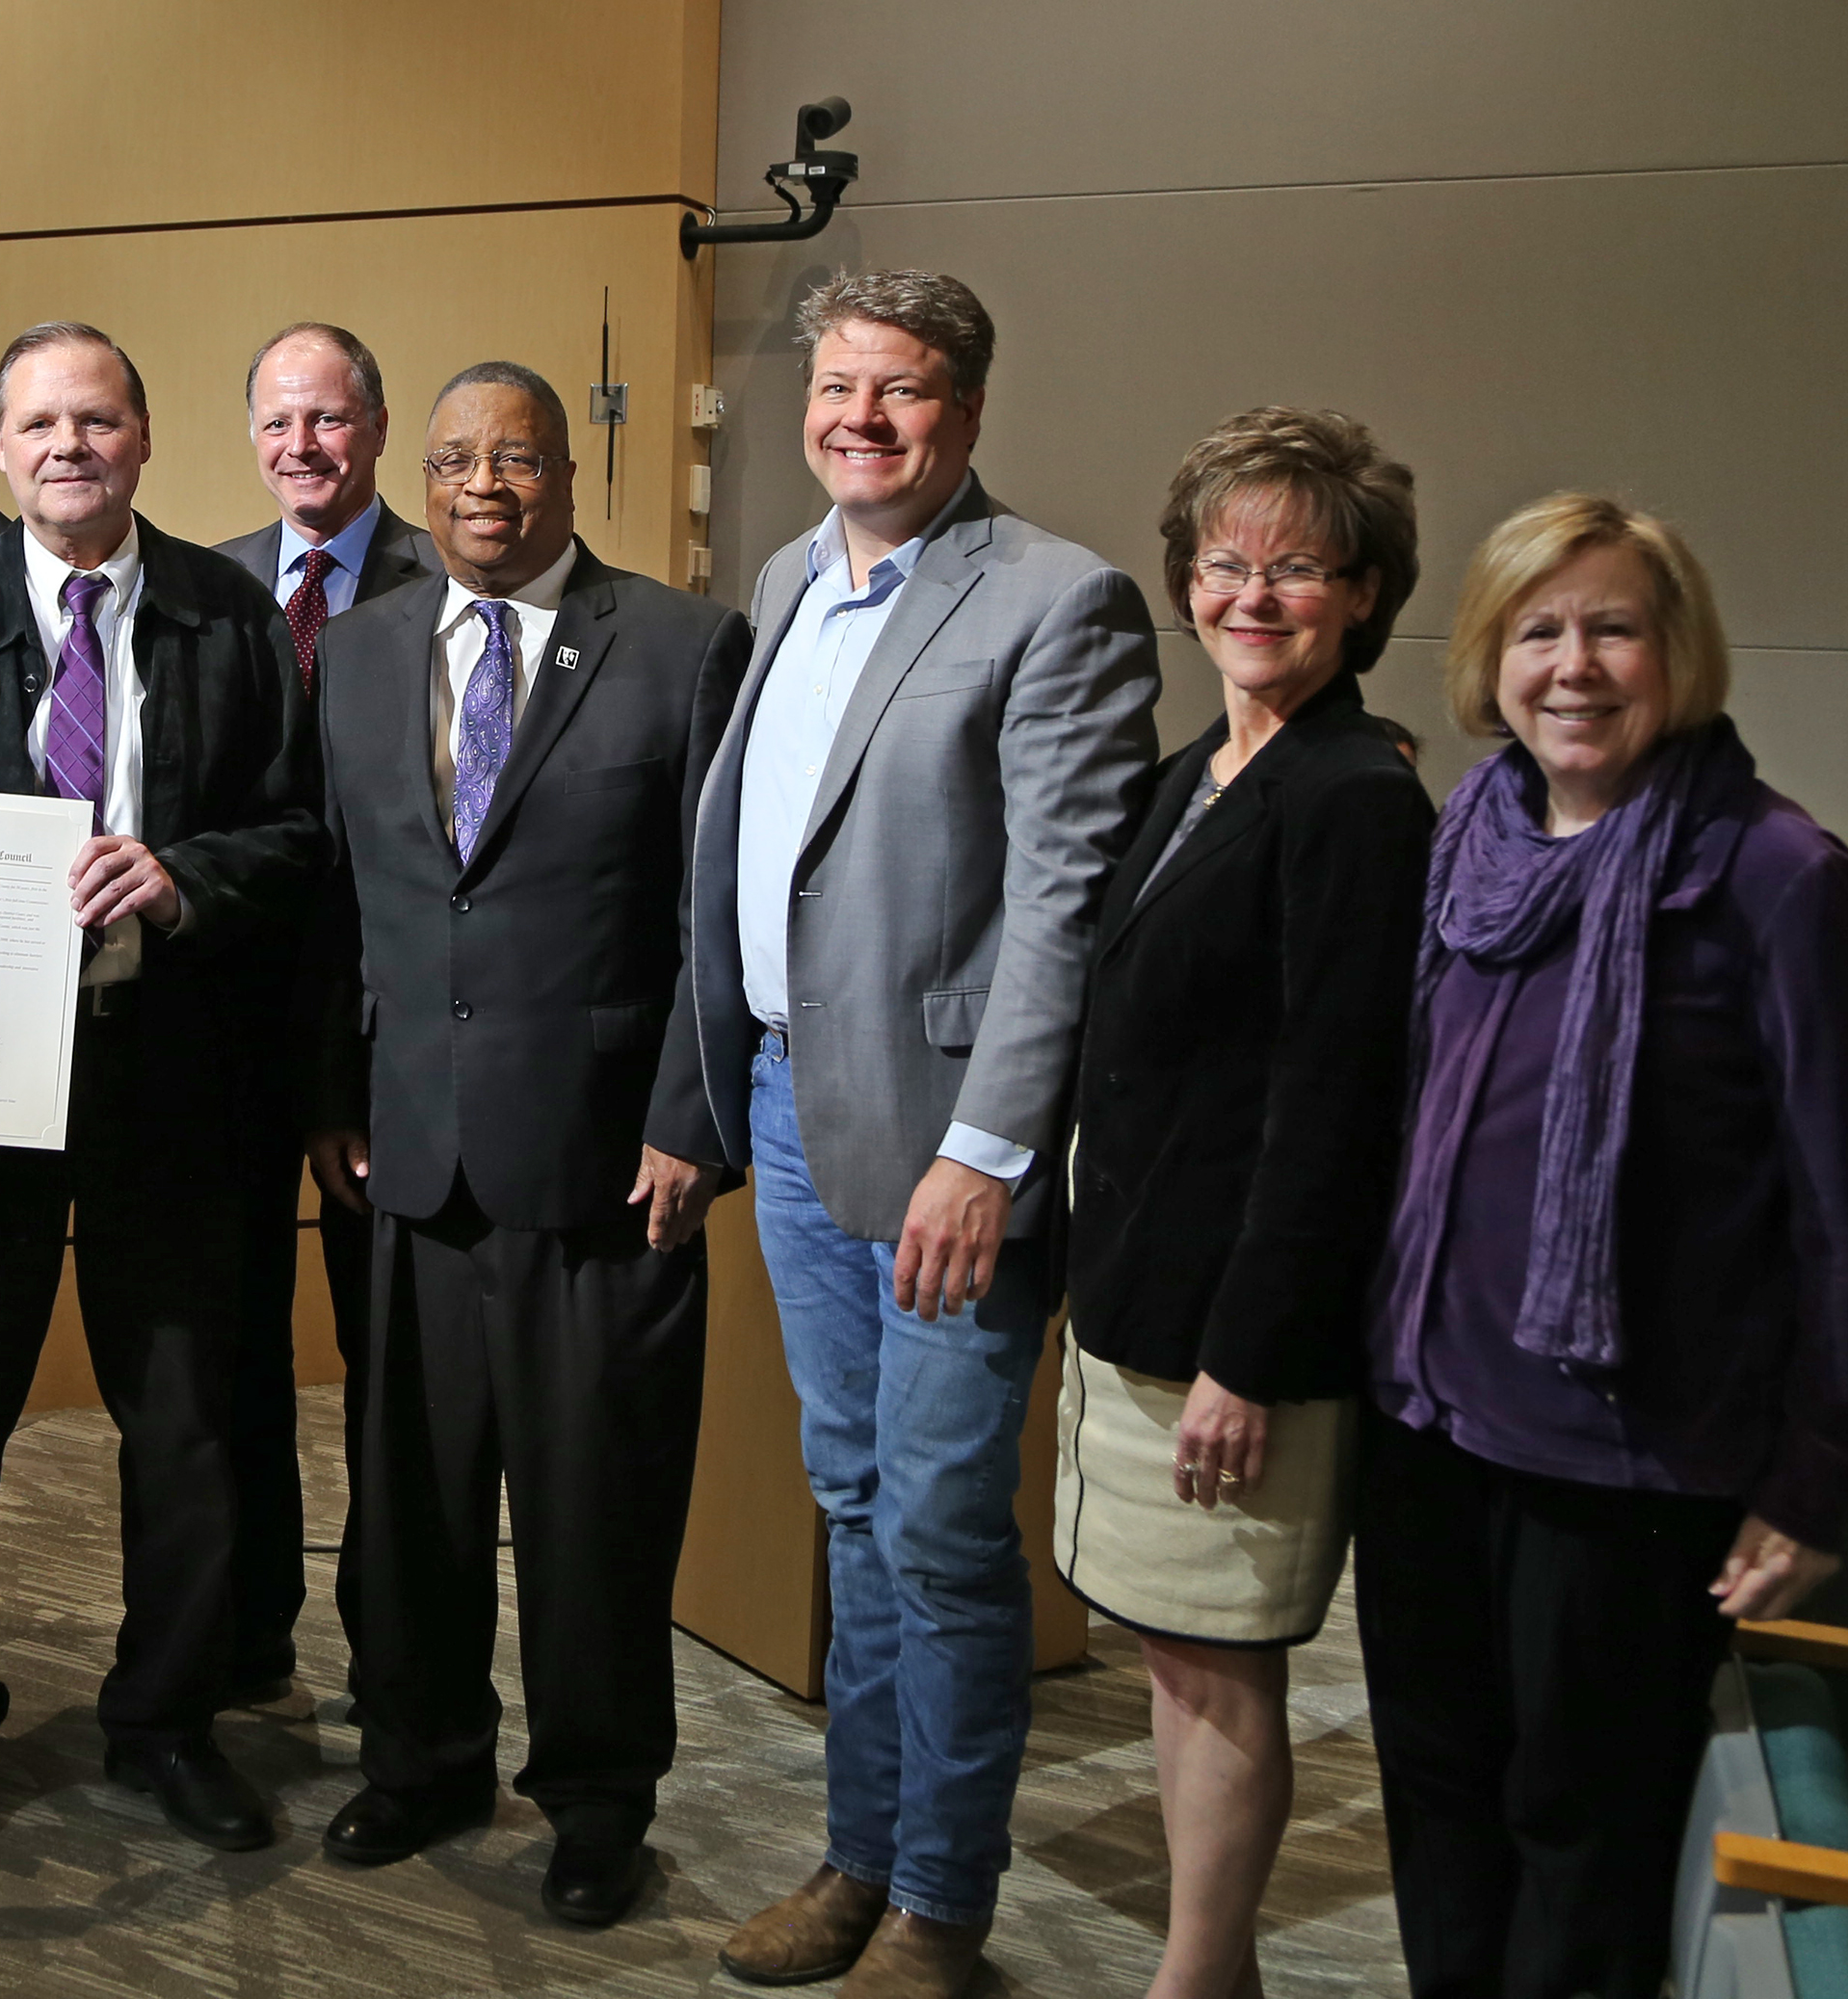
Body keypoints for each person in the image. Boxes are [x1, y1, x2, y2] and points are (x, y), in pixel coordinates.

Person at [1355, 492, 1848, 1999]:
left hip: (1628, 1462)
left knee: (1580, 1851)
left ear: (1680, 654)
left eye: (1615, 627)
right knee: (1442, 1815)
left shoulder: (1777, 873)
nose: (1574, 664)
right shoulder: (1470, 835)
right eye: (1540, 628)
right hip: (1427, 1426)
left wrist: (1808, 1476)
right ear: (1490, 658)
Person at [691, 271, 1161, 1999]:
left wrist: (992, 1149)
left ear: (965, 413)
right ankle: (860, 1858)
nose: (860, 420)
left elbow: (1060, 908)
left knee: (949, 1531)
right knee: (853, 1505)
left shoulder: (1059, 600)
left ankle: (943, 1914)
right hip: (795, 1113)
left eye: (900, 392)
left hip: (950, 1150)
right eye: (837, 387)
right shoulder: (788, 580)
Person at [0, 321, 324, 1865]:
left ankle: (166, 1716)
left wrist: (181, 875)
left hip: (170, 1073)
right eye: (41, 422)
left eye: (98, 420)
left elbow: (302, 840)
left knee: (184, 1421)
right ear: (1, 445)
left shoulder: (227, 611)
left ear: (142, 438)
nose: (70, 446)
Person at [304, 361, 750, 1924]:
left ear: (569, 473)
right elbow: (336, 897)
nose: (484, 485)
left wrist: (697, 1124)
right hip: (411, 1159)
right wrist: (330, 1095)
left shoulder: (685, 647)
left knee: (593, 1513)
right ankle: (421, 1758)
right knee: (405, 1497)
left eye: (516, 458)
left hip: (608, 1164)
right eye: (453, 461)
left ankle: (597, 1800)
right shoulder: (355, 657)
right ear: (418, 484)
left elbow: (721, 914)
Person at [1052, 409, 1435, 1999]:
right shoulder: (1193, 775)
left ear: (1361, 596)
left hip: (1237, 1337)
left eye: (1296, 566)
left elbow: (1336, 1104)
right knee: (1177, 1648)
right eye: (1224, 561)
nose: (1252, 593)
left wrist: (1249, 1354)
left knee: (1220, 1668)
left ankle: (1200, 1978)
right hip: (1143, 1294)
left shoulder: (1356, 797)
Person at [212, 320, 436, 1707]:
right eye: (281, 422)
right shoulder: (212, 588)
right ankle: (244, 1642)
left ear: (378, 428)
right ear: (251, 436)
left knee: (386, 1374)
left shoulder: (441, 579)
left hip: (386, 1045)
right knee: (233, 1363)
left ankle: (392, 1658)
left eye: (332, 421)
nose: (305, 446)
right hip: (228, 1043)